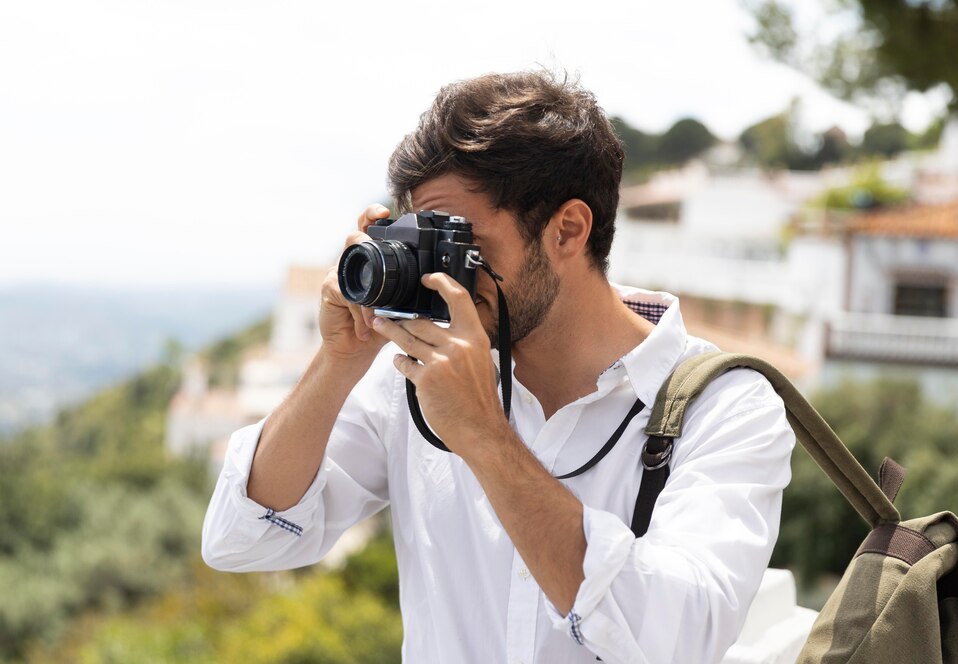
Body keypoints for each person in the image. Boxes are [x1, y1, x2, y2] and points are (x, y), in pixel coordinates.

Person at [202, 70, 795, 664]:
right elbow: (241, 538)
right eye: (426, 241)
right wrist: (338, 363)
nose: (445, 277)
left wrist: (485, 435)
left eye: (464, 244)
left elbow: (680, 637)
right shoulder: (411, 376)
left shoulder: (726, 408)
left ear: (567, 230)